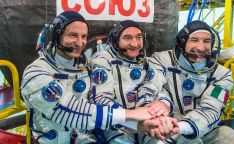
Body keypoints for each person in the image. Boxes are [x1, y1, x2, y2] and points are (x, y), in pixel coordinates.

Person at [20, 11, 157, 144]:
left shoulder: (88, 69)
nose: (80, 43)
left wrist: (139, 126)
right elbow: (68, 110)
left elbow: (98, 112)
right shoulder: (35, 73)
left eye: (84, 36)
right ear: (56, 36)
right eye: (73, 35)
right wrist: (131, 114)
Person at [139, 20, 234, 143]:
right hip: (164, 123)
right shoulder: (161, 60)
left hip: (205, 127)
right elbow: (151, 87)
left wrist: (182, 127)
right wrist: (163, 105)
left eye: (206, 41)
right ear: (182, 42)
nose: (200, 47)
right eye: (194, 40)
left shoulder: (222, 74)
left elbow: (212, 107)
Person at [89, 20, 173, 143]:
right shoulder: (102, 61)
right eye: (127, 38)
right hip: (114, 125)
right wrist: (133, 116)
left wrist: (164, 104)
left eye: (139, 37)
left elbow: (160, 89)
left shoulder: (148, 63)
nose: (135, 44)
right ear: (115, 41)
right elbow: (99, 99)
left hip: (145, 120)